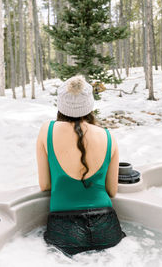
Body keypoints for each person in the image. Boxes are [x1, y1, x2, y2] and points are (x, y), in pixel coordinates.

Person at [36, 74, 126, 257]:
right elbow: (112, 191)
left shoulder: (47, 130)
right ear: (90, 105)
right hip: (107, 227)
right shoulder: (108, 136)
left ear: (61, 105)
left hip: (65, 231)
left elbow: (45, 185)